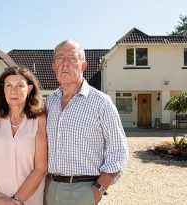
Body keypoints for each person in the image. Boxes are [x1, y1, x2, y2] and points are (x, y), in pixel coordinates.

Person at [44, 39, 128, 205]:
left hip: (83, 191)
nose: (65, 63)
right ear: (54, 66)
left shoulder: (101, 102)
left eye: (72, 58)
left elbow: (118, 151)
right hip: (48, 188)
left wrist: (98, 190)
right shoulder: (48, 103)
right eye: (60, 58)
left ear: (83, 65)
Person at [0, 66, 48, 205]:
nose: (14, 90)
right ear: (3, 89)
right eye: (9, 85)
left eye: (20, 85)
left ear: (30, 89)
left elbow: (41, 168)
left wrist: (15, 201)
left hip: (28, 200)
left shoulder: (39, 120)